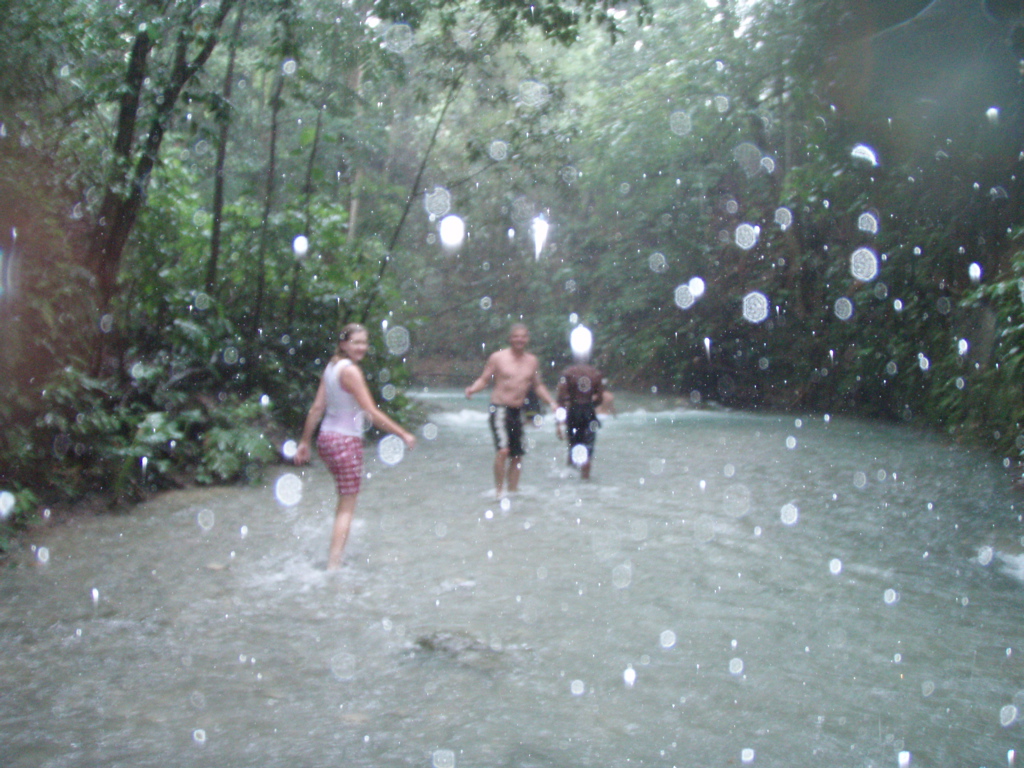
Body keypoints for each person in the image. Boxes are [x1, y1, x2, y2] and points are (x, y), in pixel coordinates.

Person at [294, 323, 416, 570]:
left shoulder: (331, 367)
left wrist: (305, 442)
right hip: (345, 441)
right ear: (343, 344)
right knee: (347, 506)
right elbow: (370, 411)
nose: (362, 347)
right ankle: (334, 565)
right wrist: (402, 433)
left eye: (364, 342)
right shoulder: (350, 371)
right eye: (356, 342)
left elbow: (317, 408)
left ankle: (333, 555)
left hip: (326, 440)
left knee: (343, 500)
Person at [465, 323, 557, 497]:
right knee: (503, 451)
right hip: (499, 409)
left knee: (517, 456)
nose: (519, 340)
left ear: (527, 339)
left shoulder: (532, 361)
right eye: (516, 336)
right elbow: (484, 380)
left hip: (517, 411)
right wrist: (472, 389)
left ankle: (513, 493)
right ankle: (499, 491)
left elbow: (537, 386)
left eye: (523, 336)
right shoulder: (498, 358)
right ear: (510, 339)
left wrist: (552, 402)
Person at [556, 362, 608, 480]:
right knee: (587, 450)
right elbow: (599, 398)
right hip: (588, 413)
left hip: (573, 412)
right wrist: (589, 404)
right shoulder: (595, 374)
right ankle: (585, 481)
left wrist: (558, 423)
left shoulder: (568, 373)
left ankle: (570, 478)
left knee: (573, 447)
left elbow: (561, 399)